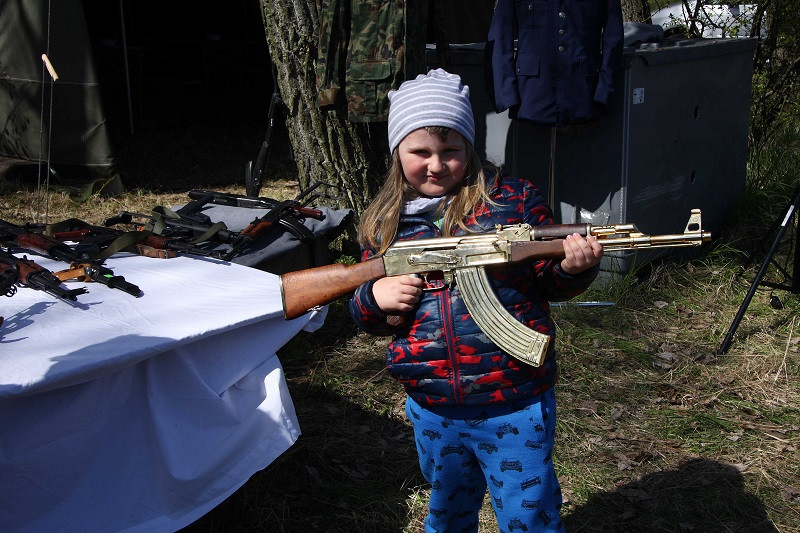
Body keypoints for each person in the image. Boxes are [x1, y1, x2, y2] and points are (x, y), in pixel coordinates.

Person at [349, 68, 603, 533]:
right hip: (433, 405)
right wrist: (373, 297)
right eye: (419, 151)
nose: (436, 164)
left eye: (451, 150)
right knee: (448, 510)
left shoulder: (514, 202)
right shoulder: (384, 224)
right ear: (396, 153)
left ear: (470, 147)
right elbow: (362, 307)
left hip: (514, 397)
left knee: (528, 513)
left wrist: (572, 267)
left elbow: (548, 281)